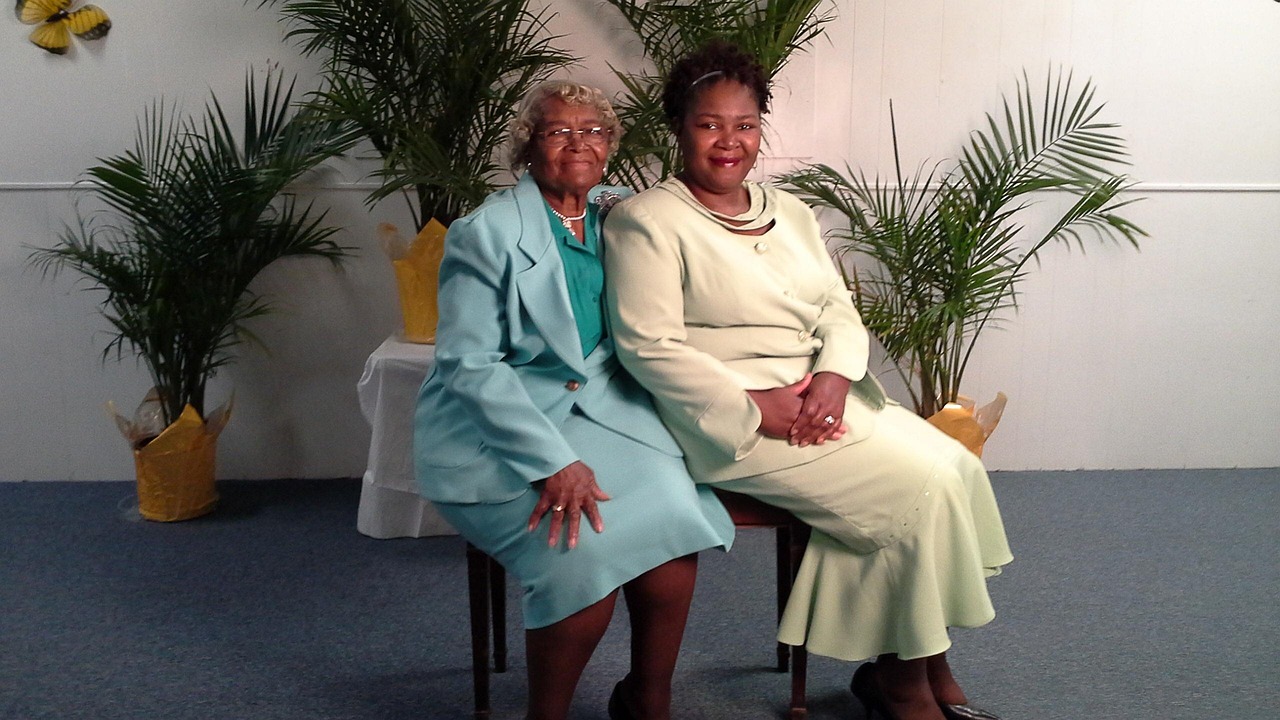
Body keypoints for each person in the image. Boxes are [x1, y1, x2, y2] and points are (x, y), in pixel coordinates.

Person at [603, 41, 1014, 720]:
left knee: (955, 466)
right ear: (679, 127)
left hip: (823, 401)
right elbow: (649, 346)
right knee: (921, 488)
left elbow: (836, 307)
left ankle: (919, 666)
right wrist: (751, 405)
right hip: (733, 423)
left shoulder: (788, 210)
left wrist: (833, 375)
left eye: (745, 124)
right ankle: (903, 688)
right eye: (709, 124)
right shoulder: (646, 219)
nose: (729, 141)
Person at [413, 81, 734, 720]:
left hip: (607, 411)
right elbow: (468, 364)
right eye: (559, 131)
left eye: (593, 131)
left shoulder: (622, 214)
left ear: (610, 146)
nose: (578, 143)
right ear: (528, 147)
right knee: (580, 557)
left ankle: (647, 699)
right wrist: (552, 462)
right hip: (499, 428)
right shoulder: (486, 233)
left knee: (675, 526)